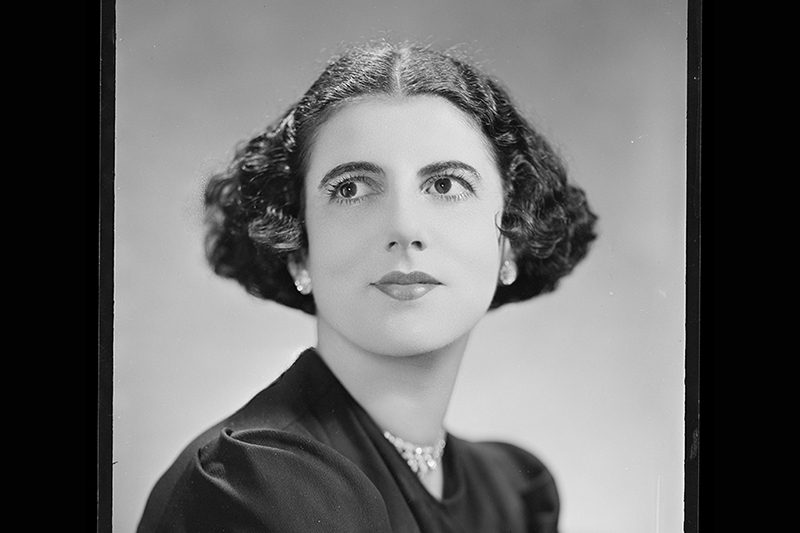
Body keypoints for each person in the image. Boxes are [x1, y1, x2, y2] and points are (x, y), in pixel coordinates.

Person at [137, 41, 598, 533]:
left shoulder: (512, 493)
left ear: (510, 239)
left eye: (445, 185)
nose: (404, 227)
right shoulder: (254, 484)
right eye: (352, 188)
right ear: (298, 247)